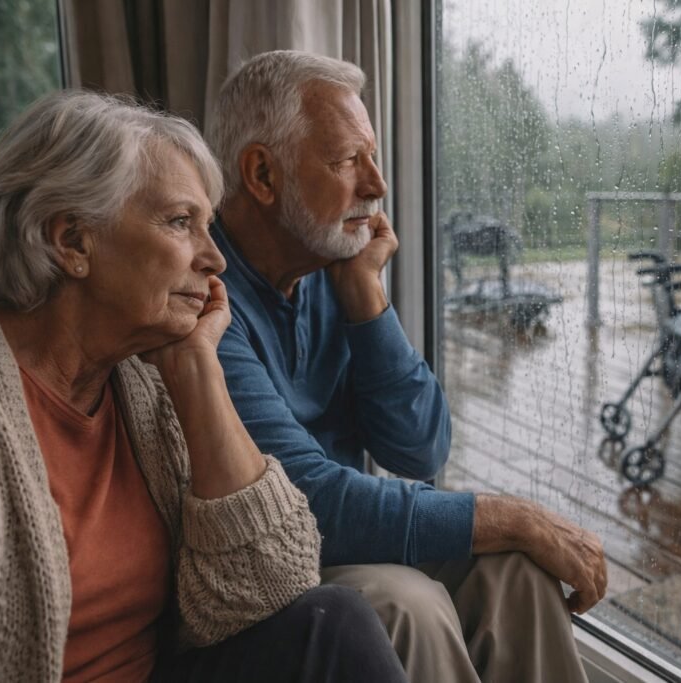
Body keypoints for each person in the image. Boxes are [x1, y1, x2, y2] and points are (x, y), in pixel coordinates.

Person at [0, 90, 408, 683]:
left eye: (208, 226)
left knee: (333, 623)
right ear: (73, 241)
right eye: (182, 223)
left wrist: (196, 369)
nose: (215, 260)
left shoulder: (143, 377)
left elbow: (274, 587)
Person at [206, 50, 607, 682]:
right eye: (346, 162)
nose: (377, 185)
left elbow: (421, 448)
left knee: (516, 573)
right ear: (262, 174)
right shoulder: (204, 300)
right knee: (408, 604)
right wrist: (515, 515)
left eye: (373, 158)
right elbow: (304, 501)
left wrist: (366, 299)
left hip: (337, 538)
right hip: (268, 564)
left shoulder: (325, 269)